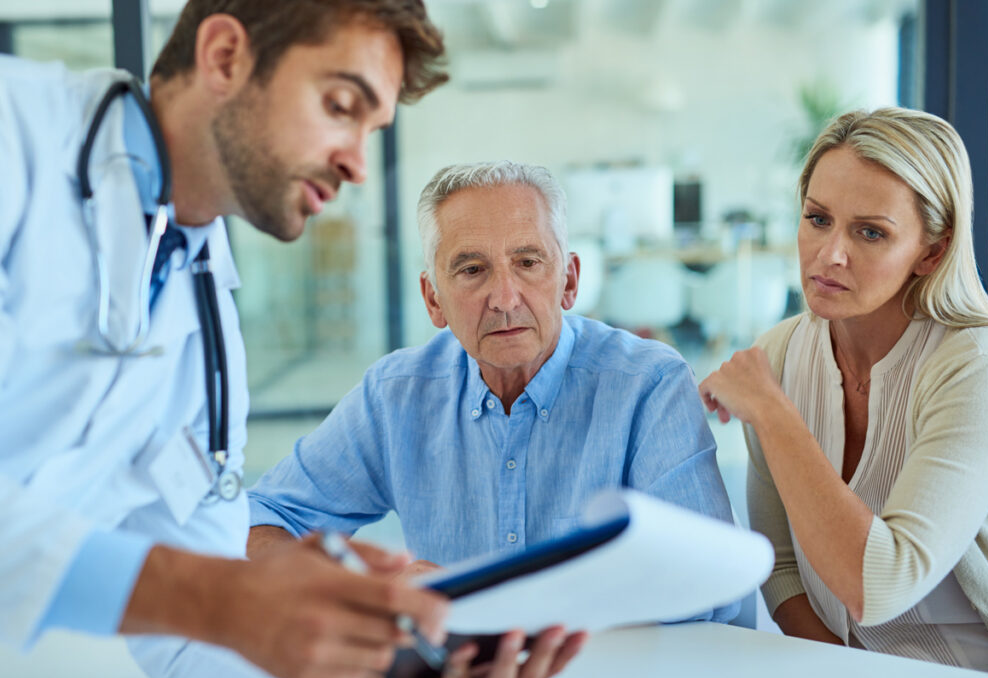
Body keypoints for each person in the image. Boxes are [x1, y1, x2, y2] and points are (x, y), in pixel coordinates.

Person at [0, 2, 455, 678]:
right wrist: (219, 598)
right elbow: (209, 600)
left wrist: (367, 659)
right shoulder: (17, 133)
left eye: (374, 129)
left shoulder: (208, 340)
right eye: (340, 105)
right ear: (223, 57)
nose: (359, 164)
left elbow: (194, 646)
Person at [246, 161, 739, 652]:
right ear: (432, 299)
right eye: (472, 269)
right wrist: (360, 587)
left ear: (569, 281)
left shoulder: (649, 384)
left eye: (528, 262)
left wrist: (535, 611)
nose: (504, 298)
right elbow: (260, 516)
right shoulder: (396, 394)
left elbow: (710, 591)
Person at [699, 107, 988, 676]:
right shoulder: (778, 354)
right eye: (817, 219)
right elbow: (778, 567)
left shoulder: (982, 370)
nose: (831, 255)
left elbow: (881, 585)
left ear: (932, 252)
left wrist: (773, 414)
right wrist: (845, 671)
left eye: (871, 232)